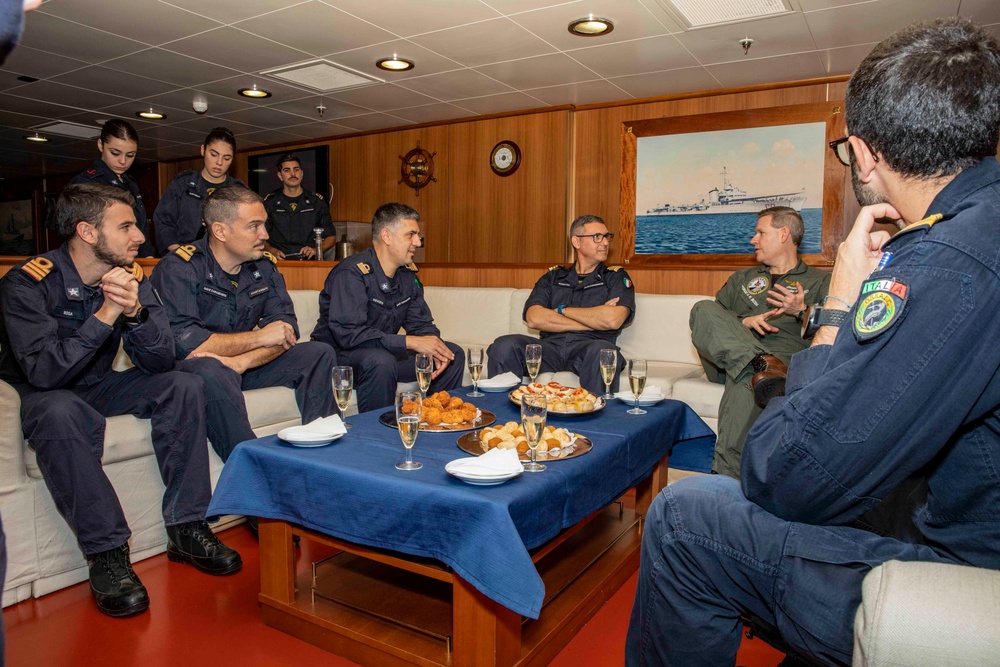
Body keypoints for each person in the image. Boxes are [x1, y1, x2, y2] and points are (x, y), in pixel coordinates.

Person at [626, 17, 1000, 667]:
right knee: (751, 374)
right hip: (960, 506)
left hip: (964, 558)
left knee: (683, 515)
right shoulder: (976, 231)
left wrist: (833, 307)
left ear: (862, 153)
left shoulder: (949, 263)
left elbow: (784, 471)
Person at [0, 184, 242, 618]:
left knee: (182, 384)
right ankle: (108, 554)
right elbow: (44, 372)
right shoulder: (27, 283)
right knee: (60, 411)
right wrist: (106, 314)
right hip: (44, 394)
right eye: (126, 226)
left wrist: (136, 314)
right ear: (87, 232)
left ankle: (187, 526)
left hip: (97, 385)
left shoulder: (133, 277)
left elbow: (162, 358)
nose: (138, 238)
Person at [151, 186, 337, 462]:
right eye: (254, 226)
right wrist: (260, 338)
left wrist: (243, 362)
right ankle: (253, 466)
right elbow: (191, 344)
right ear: (220, 231)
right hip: (195, 371)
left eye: (264, 225)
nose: (265, 235)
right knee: (211, 368)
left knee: (319, 352)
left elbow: (287, 330)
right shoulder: (180, 268)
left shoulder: (264, 266)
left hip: (243, 365)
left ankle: (323, 454)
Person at [688, 206, 830, 479]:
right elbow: (711, 321)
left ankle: (725, 480)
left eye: (760, 233)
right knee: (701, 307)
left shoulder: (821, 281)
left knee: (750, 379)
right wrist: (744, 322)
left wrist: (801, 311)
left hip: (783, 364)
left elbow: (835, 331)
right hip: (727, 357)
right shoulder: (744, 278)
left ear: (784, 234)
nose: (753, 239)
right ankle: (758, 362)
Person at [311, 202, 463, 413]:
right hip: (340, 358)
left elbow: (421, 324)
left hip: (384, 355)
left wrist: (432, 345)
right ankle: (377, 436)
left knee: (451, 353)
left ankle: (438, 420)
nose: (418, 242)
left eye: (418, 235)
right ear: (386, 236)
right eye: (410, 235)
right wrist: (410, 342)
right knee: (380, 362)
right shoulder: (351, 273)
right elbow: (348, 335)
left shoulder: (407, 275)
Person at [487, 215, 635, 395]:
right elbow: (534, 318)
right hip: (550, 350)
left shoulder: (616, 278)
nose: (605, 242)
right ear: (576, 241)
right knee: (504, 345)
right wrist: (594, 320)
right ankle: (504, 412)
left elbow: (612, 321)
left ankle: (595, 418)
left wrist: (561, 310)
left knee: (603, 352)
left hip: (589, 349)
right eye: (597, 237)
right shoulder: (553, 277)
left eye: (607, 236)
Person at [68, 119, 155, 257]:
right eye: (115, 153)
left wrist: (148, 256)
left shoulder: (130, 183)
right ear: (100, 145)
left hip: (134, 258)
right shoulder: (86, 183)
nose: (123, 161)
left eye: (130, 155)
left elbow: (141, 227)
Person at [153, 127, 244, 255]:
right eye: (213, 154)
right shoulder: (182, 185)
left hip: (224, 260)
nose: (219, 162)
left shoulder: (238, 191)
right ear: (203, 150)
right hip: (184, 258)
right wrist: (178, 251)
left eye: (227, 158)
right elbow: (163, 221)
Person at [263, 153, 336, 259]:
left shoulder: (316, 202)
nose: (293, 174)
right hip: (278, 263)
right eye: (287, 170)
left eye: (296, 170)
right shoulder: (270, 203)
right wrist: (271, 251)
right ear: (280, 176)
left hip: (308, 263)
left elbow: (331, 237)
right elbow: (259, 237)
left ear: (302, 174)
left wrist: (315, 250)